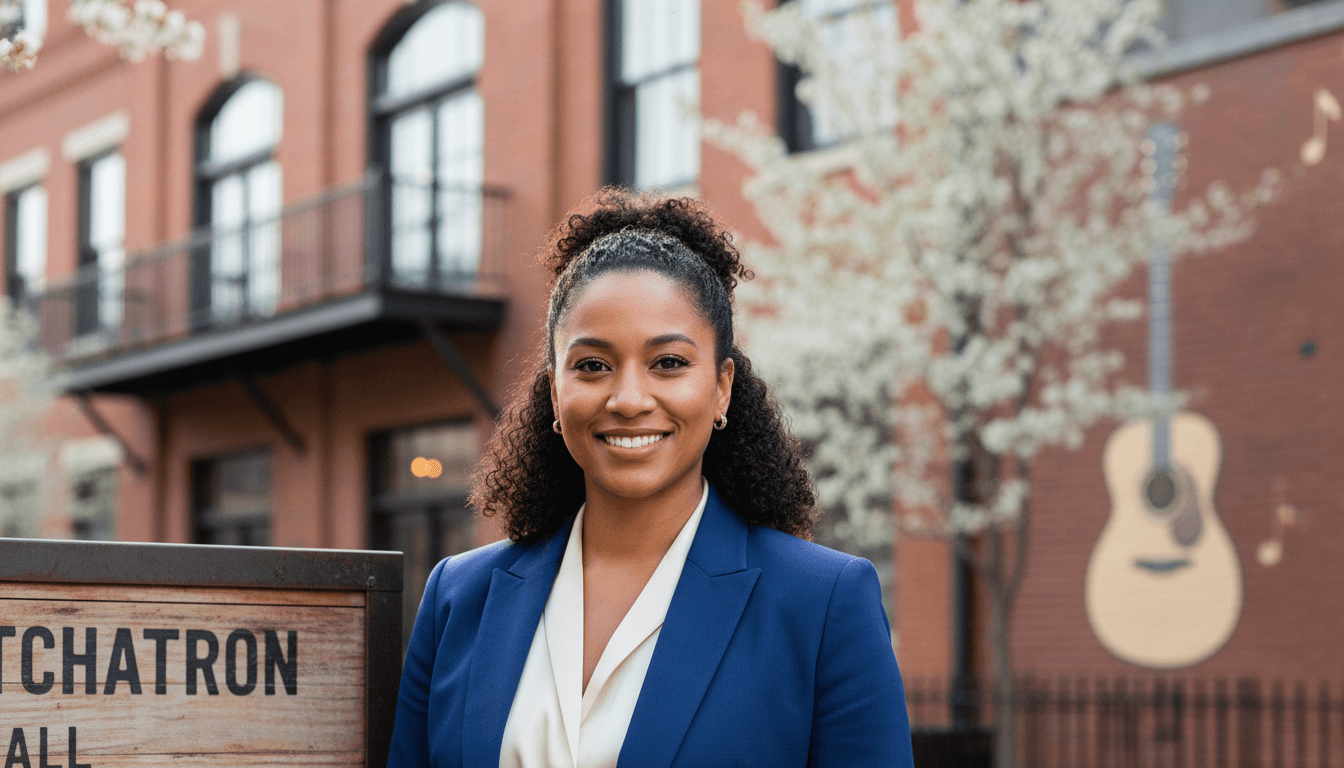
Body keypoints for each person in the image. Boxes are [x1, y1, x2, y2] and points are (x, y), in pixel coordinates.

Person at [388, 190, 914, 768]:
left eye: (668, 363)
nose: (629, 398)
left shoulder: (822, 604)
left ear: (721, 387)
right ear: (555, 396)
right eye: (592, 365)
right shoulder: (460, 597)